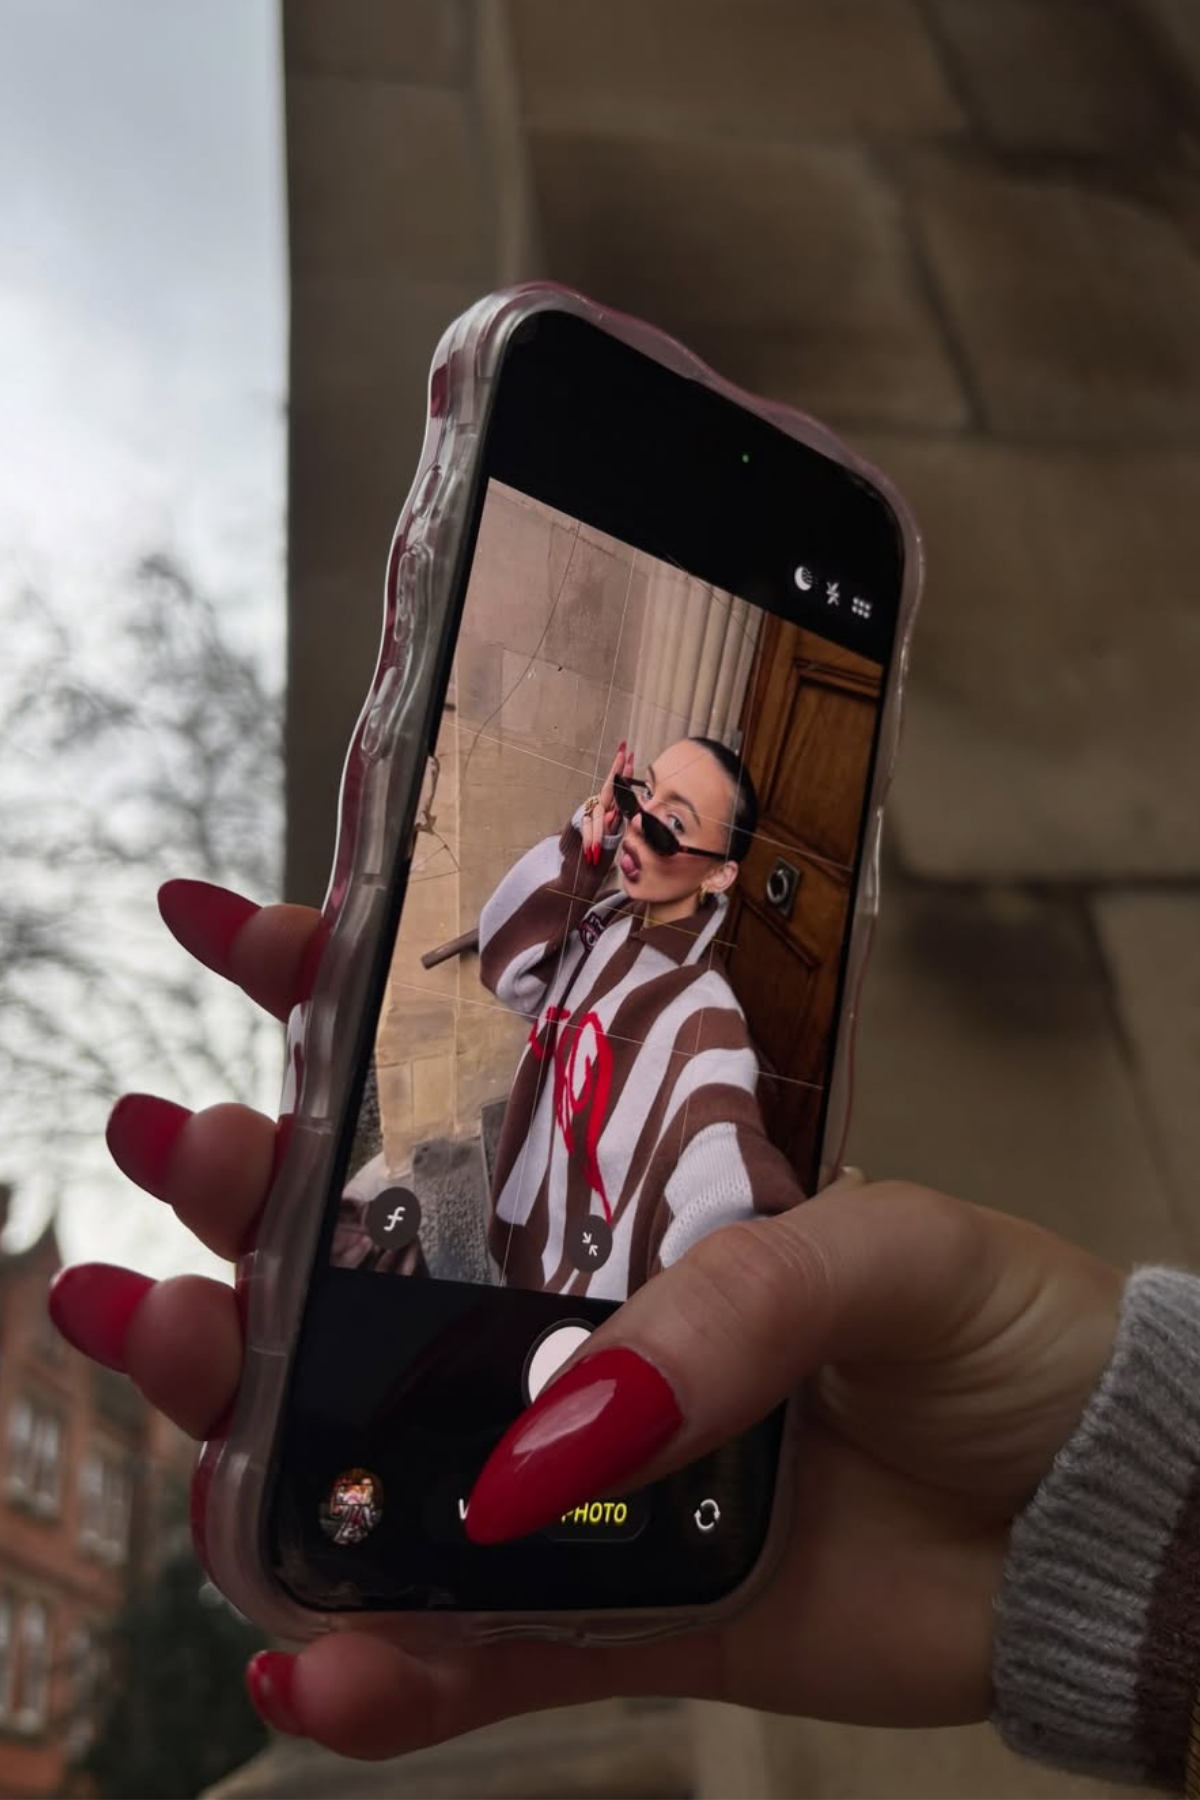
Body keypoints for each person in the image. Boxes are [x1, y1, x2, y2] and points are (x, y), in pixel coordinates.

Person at [48, 880, 1200, 1789]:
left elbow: (715, 1163)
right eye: (635, 816)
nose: (642, 839)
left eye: (679, 829)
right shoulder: (560, 994)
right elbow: (507, 947)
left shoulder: (689, 1009)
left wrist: (727, 1253)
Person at [478, 735, 802, 1299]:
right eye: (643, 795)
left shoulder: (706, 1017)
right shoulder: (612, 916)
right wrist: (584, 854)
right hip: (524, 1227)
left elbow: (721, 1153)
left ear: (719, 875)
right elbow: (508, 973)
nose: (636, 825)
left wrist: (745, 1260)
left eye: (672, 825)